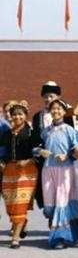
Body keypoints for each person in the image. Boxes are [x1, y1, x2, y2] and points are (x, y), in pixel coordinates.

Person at [37, 98, 78, 248]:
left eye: (59, 109)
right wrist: (40, 151)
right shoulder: (46, 131)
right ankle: (74, 230)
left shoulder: (70, 130)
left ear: (64, 112)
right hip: (48, 170)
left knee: (62, 202)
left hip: (65, 170)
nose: (56, 111)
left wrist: (68, 155)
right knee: (49, 205)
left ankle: (60, 237)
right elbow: (35, 147)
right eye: (53, 109)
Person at [0, 102, 39, 248]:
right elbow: (3, 152)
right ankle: (22, 222)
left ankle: (15, 238)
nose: (17, 117)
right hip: (9, 171)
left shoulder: (32, 133)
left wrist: (28, 161)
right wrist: (1, 162)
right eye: (14, 114)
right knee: (10, 206)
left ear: (25, 115)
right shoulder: (6, 134)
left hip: (27, 172)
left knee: (19, 204)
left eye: (20, 114)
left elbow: (39, 152)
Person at [32, 81, 73, 211]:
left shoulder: (66, 113)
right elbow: (34, 139)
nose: (48, 99)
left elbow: (71, 136)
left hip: (61, 159)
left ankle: (58, 219)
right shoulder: (38, 116)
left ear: (58, 97)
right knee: (45, 192)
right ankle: (51, 215)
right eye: (46, 96)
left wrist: (68, 154)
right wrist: (39, 151)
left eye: (51, 96)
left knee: (61, 192)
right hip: (43, 160)